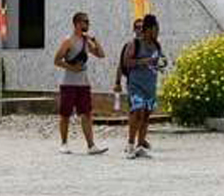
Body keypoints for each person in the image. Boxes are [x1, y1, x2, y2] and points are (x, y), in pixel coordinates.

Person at [53, 11, 108, 155]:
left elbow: (101, 54)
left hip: (84, 83)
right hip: (68, 83)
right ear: (77, 23)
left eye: (88, 22)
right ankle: (64, 144)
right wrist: (72, 68)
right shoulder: (68, 41)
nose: (88, 24)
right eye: (86, 22)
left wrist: (95, 40)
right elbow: (56, 60)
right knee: (65, 114)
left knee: (87, 114)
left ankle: (91, 145)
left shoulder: (86, 41)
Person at [119, 14, 167, 158]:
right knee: (137, 111)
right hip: (136, 84)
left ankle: (140, 145)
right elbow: (126, 62)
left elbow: (161, 59)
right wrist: (144, 61)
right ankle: (130, 144)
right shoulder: (135, 44)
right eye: (155, 29)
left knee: (146, 114)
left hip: (150, 85)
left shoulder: (156, 45)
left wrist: (162, 63)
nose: (157, 32)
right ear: (148, 29)